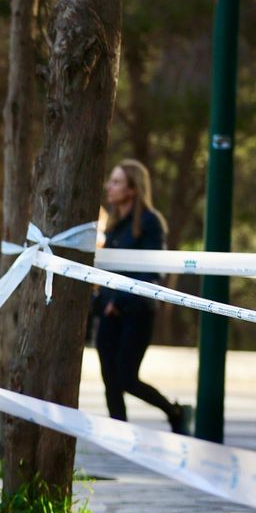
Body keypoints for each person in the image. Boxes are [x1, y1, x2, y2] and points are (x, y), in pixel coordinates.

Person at [95, 159, 191, 434]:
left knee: (126, 377)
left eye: (116, 182)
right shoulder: (113, 225)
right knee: (109, 379)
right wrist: (100, 301)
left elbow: (152, 272)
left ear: (133, 189)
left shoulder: (150, 223)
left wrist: (120, 301)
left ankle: (174, 411)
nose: (109, 187)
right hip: (107, 312)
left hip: (136, 312)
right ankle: (119, 433)